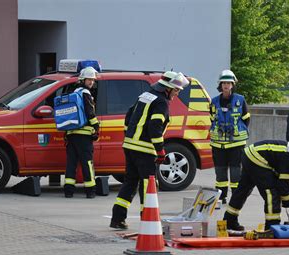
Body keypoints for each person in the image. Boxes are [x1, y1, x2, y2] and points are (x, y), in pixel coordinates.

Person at [109, 71, 190, 230]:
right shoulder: (161, 102)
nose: (177, 93)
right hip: (145, 149)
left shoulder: (145, 95)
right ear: (167, 88)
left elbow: (129, 116)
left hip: (130, 145)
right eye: (176, 90)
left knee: (130, 182)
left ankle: (117, 219)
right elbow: (155, 127)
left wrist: (130, 135)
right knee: (148, 184)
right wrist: (160, 150)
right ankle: (147, 219)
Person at [223, 139, 289, 231]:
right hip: (257, 157)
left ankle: (229, 221)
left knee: (243, 190)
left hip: (250, 154)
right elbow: (282, 186)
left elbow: (283, 183)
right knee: (271, 192)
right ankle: (272, 226)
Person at [209, 70, 250, 205]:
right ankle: (221, 196)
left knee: (235, 172)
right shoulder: (214, 101)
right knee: (220, 172)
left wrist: (237, 131)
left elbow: (246, 118)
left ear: (233, 85)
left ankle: (236, 197)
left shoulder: (240, 100)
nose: (226, 85)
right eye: (224, 83)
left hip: (236, 144)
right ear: (220, 85)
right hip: (218, 144)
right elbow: (212, 119)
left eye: (228, 83)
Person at [64, 67, 100, 199]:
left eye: (92, 80)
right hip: (84, 136)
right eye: (89, 79)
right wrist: (96, 126)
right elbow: (90, 113)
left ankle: (68, 191)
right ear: (83, 79)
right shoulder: (85, 93)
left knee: (71, 163)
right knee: (87, 163)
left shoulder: (74, 92)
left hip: (71, 133)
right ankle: (90, 190)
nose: (91, 82)